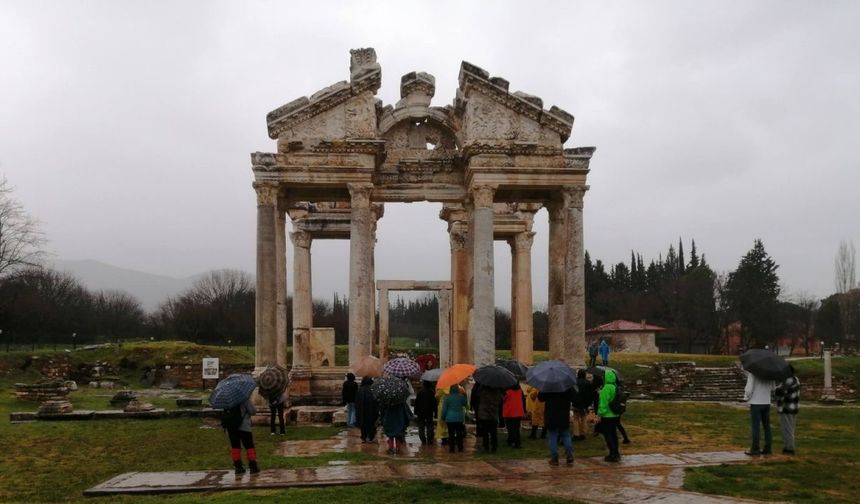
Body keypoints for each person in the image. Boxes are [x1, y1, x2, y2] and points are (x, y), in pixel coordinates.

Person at [538, 387, 576, 466]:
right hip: (563, 413)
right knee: (566, 434)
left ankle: (554, 458)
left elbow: (540, 398)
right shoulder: (567, 385)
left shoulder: (548, 385)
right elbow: (574, 397)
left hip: (551, 414)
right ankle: (569, 455)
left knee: (552, 435)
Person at [223, 398, 259, 475]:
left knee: (235, 447)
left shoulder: (228, 399)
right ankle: (253, 466)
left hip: (231, 428)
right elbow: (253, 411)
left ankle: (238, 467)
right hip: (244, 427)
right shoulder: (244, 399)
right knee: (249, 446)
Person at [743, 370, 775, 456]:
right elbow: (773, 388)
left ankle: (755, 449)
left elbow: (749, 389)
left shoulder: (753, 373)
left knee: (755, 427)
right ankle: (768, 448)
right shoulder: (770, 373)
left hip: (756, 402)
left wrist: (746, 397)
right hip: (766, 402)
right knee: (767, 426)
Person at [596, 368, 621, 462]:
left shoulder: (606, 388)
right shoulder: (615, 386)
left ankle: (612, 454)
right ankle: (616, 452)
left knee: (608, 435)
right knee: (614, 434)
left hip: (607, 415)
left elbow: (603, 403)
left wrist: (599, 414)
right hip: (615, 414)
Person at [774, 365, 800, 455]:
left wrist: (775, 387)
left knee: (787, 429)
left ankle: (790, 448)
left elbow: (780, 391)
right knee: (788, 428)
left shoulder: (789, 380)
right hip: (792, 408)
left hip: (787, 408)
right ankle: (787, 446)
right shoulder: (795, 379)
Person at [441, 384, 467, 452]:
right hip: (459, 418)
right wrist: (465, 395)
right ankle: (460, 448)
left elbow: (444, 410)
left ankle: (451, 449)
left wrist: (443, 417)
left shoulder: (447, 398)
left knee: (451, 434)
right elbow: (465, 404)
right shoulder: (461, 397)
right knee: (459, 434)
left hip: (449, 419)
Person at [476, 385, 503, 453]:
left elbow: (478, 397)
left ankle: (486, 447)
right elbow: (500, 401)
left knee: (485, 433)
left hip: (484, 415)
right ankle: (494, 447)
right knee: (493, 432)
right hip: (494, 415)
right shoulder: (497, 392)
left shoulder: (483, 391)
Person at [355, 376, 378, 443]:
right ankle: (370, 437)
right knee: (371, 423)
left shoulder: (360, 389)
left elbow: (357, 401)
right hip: (371, 410)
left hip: (362, 410)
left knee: (363, 424)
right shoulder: (373, 389)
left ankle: (364, 436)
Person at [414, 380, 438, 446]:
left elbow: (416, 403)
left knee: (421, 426)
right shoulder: (432, 392)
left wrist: (415, 412)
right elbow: (434, 404)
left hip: (420, 412)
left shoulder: (420, 392)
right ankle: (429, 439)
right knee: (429, 425)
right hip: (429, 412)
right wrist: (436, 413)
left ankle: (423, 439)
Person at [502, 383, 525, 449]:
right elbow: (523, 400)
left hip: (509, 412)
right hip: (518, 412)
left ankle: (513, 442)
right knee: (516, 428)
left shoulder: (507, 391)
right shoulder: (520, 391)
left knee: (510, 428)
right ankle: (517, 443)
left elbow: (503, 400)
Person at [571, 370, 592, 441]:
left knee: (575, 418)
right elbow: (590, 395)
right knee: (584, 418)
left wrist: (572, 401)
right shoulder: (588, 383)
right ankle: (583, 434)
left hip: (576, 403)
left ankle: (576, 434)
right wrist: (588, 404)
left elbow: (573, 393)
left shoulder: (575, 383)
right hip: (585, 404)